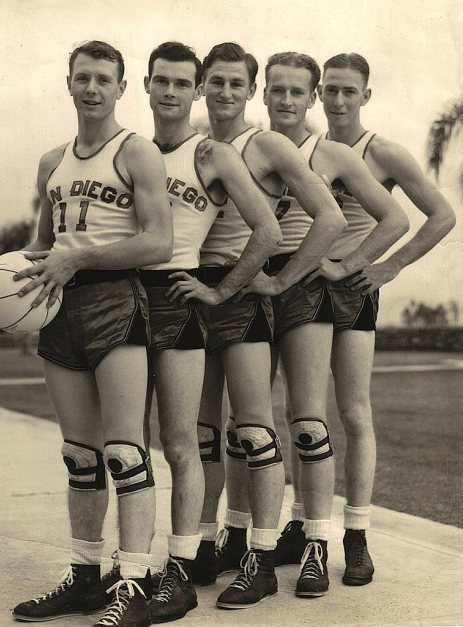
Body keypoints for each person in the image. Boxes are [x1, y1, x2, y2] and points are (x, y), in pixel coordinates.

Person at [0, 40, 173, 627]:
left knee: (124, 451)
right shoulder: (52, 161)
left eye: (103, 79)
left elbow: (157, 241)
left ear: (121, 87)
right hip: (60, 307)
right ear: (67, 83)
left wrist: (76, 262)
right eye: (82, 77)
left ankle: (133, 581)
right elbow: (44, 244)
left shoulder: (136, 152)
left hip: (116, 300)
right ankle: (85, 575)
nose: (92, 88)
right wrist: (0, 282)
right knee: (79, 456)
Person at [221, 51, 409, 597]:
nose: (284, 100)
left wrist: (350, 265)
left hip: (305, 287)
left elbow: (393, 218)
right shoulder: (249, 147)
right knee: (247, 421)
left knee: (310, 419)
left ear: (312, 97)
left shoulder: (329, 152)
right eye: (275, 90)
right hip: (254, 283)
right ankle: (240, 535)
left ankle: (320, 544)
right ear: (264, 94)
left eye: (296, 92)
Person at [168, 42, 346, 609]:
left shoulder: (263, 143)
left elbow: (331, 217)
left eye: (234, 83)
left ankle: (268, 557)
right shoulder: (195, 145)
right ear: (203, 87)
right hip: (196, 294)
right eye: (214, 81)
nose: (223, 92)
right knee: (204, 436)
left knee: (262, 426)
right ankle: (203, 545)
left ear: (250, 92)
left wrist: (277, 281)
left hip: (240, 293)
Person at [107, 41, 279, 624]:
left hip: (179, 301)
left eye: (184, 82)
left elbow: (268, 231)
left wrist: (222, 290)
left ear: (197, 87)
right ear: (147, 86)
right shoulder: (132, 150)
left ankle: (183, 569)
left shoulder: (211, 155)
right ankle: (135, 564)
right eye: (161, 81)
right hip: (126, 301)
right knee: (131, 442)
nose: (172, 92)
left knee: (184, 443)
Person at [271, 51, 456, 590]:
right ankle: (306, 525)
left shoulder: (382, 153)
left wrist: (383, 266)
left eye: (349, 91)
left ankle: (357, 534)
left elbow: (440, 215)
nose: (337, 100)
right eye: (329, 90)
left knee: (353, 411)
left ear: (366, 96)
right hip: (304, 287)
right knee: (301, 412)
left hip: (351, 290)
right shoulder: (302, 148)